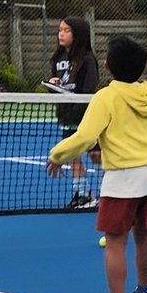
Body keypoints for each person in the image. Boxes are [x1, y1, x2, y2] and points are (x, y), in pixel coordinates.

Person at [45, 35, 147, 293]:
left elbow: (85, 137)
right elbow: (145, 132)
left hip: (126, 178)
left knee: (115, 241)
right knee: (145, 233)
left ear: (106, 65)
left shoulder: (106, 96)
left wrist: (57, 155)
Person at [46, 16, 100, 209]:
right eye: (60, 30)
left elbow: (89, 91)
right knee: (73, 156)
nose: (61, 33)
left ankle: (111, 191)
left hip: (87, 118)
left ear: (77, 35)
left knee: (96, 155)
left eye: (66, 30)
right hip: (67, 117)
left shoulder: (87, 60)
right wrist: (53, 86)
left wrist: (79, 111)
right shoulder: (57, 59)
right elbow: (59, 88)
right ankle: (83, 194)